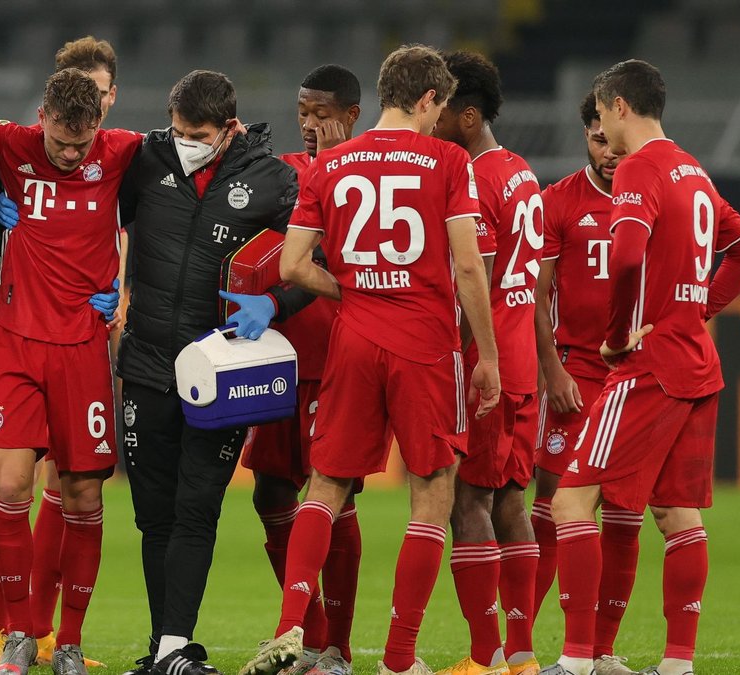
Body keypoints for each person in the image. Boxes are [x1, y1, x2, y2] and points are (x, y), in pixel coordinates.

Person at [242, 44, 501, 675]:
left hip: (353, 340)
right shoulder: (448, 160)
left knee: (325, 486)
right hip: (425, 342)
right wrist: (488, 354)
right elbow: (469, 266)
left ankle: (289, 628)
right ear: (430, 99)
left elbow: (293, 266)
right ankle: (399, 657)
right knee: (432, 493)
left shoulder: (330, 163)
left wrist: (355, 290)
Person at [543, 59, 740, 675]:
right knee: (676, 515)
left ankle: (577, 660)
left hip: (647, 367)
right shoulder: (692, 170)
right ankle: (677, 664)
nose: (603, 132)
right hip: (696, 363)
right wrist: (699, 309)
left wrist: (617, 337)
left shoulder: (640, 168)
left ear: (619, 106)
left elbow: (626, 256)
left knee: (570, 503)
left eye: (601, 114)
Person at [115, 69, 311, 675]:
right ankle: (165, 648)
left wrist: (274, 304)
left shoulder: (273, 180)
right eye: (178, 132)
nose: (185, 144)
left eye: (198, 136)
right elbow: (90, 207)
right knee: (153, 514)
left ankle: (173, 644)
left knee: (197, 506)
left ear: (229, 128)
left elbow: (319, 257)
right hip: (146, 361)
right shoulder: (145, 160)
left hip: (222, 371)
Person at [0, 68, 142, 675]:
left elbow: (191, 154)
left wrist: (235, 137)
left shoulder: (123, 151)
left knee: (83, 494)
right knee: (11, 486)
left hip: (83, 350)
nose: (69, 154)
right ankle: (16, 633)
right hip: (15, 345)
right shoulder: (10, 143)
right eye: (60, 141)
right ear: (42, 117)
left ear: (100, 123)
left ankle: (67, 641)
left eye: (80, 143)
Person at [238, 63, 360, 675]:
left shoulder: (365, 175)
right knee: (270, 492)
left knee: (332, 496)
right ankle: (307, 635)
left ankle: (336, 646)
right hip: (278, 357)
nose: (309, 124)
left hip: (337, 357)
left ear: (351, 116)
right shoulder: (283, 170)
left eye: (321, 114)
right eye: (302, 113)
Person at [429, 51, 542, 675]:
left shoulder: (474, 179)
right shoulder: (522, 171)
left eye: (441, 110)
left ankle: (485, 656)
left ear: (468, 117)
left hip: (485, 365)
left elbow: (481, 273)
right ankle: (521, 654)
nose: (433, 121)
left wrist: (465, 353)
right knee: (510, 502)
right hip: (522, 360)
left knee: (467, 501)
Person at [532, 93, 641, 675]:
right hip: (577, 371)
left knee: (624, 511)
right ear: (586, 136)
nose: (608, 151)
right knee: (552, 503)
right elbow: (536, 295)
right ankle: (521, 644)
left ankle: (600, 651)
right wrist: (553, 370)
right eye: (597, 139)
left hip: (638, 374)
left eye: (612, 139)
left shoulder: (653, 194)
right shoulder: (559, 201)